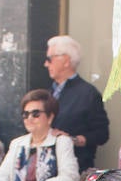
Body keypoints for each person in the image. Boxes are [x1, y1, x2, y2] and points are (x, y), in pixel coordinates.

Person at [44, 35, 110, 169]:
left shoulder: (88, 94)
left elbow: (102, 134)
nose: (46, 64)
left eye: (50, 59)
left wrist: (73, 140)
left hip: (74, 167)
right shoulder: (47, 93)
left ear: (66, 60)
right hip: (46, 167)